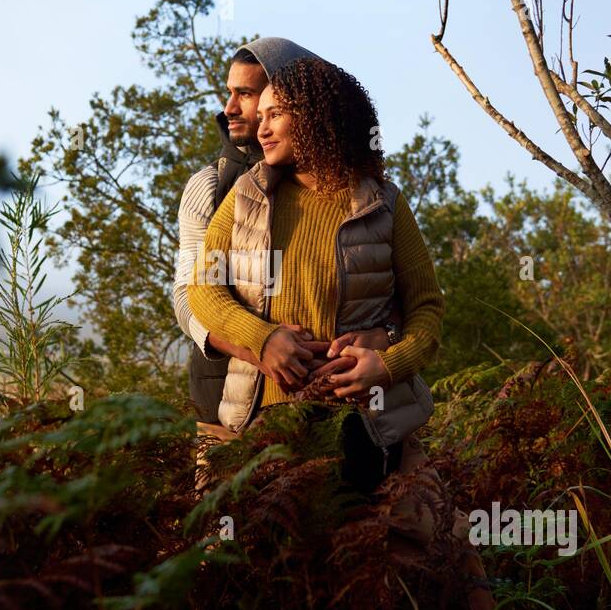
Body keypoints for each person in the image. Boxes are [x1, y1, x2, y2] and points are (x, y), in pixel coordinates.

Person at [187, 54, 445, 492]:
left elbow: (427, 307)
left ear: (316, 118)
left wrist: (385, 364)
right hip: (262, 419)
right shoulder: (245, 196)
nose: (262, 128)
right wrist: (263, 338)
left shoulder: (384, 203)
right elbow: (203, 291)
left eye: (275, 115)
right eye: (260, 115)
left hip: (366, 422)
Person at [174, 38, 391, 428]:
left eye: (246, 94)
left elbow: (397, 294)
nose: (229, 109)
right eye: (230, 93)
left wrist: (385, 340)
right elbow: (189, 299)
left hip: (350, 412)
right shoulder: (212, 186)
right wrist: (265, 348)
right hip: (224, 412)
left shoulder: (363, 191)